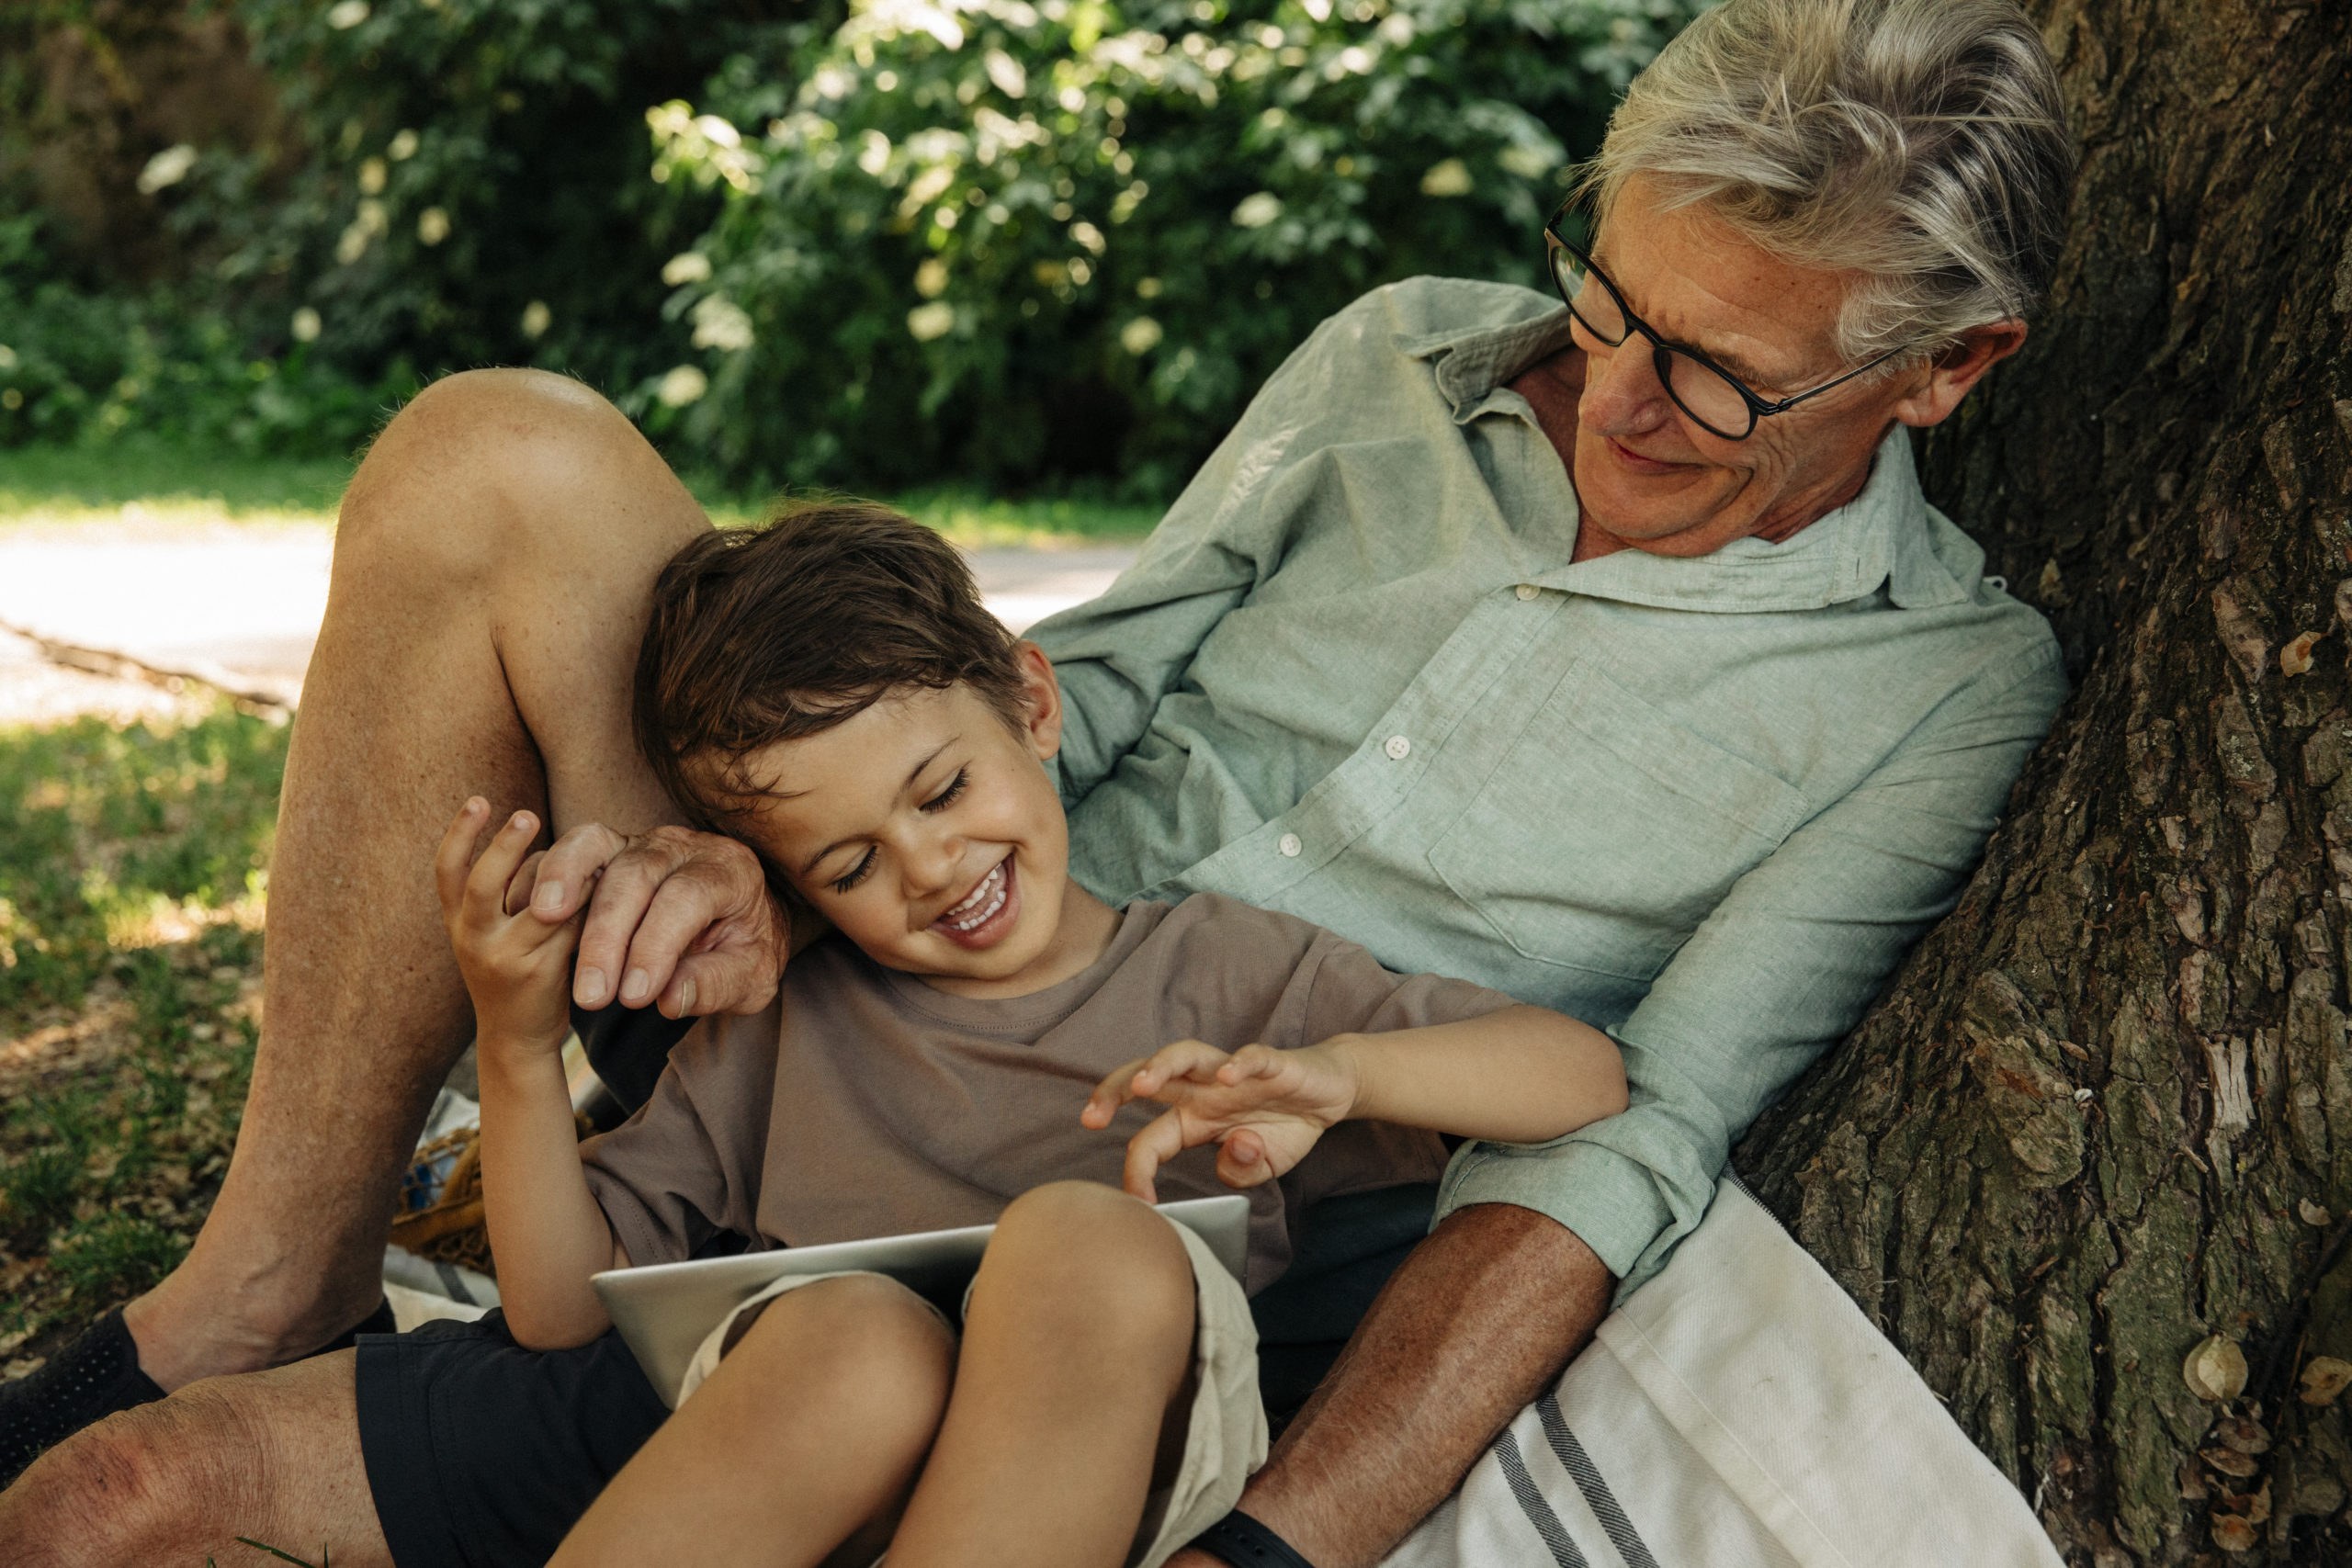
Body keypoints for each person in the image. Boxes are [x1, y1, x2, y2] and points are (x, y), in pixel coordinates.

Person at [0, 2, 2076, 1563]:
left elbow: (1633, 1131)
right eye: (1604, 294)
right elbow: (1066, 682)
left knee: (1026, 1295)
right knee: (494, 451)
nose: (1605, 392)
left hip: (1188, 1204)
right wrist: (768, 867)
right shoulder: (1402, 355)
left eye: (1715, 374)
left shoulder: (1935, 680)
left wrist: (1282, 1542)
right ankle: (274, 1273)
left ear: (1945, 368)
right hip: (867, 986)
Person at [392, 503, 1625, 1568]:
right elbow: (557, 1314)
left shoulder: (1231, 971)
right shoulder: (784, 1031)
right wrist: (513, 1043)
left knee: (1083, 1235)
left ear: (1032, 704)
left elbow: (1583, 1075)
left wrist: (1339, 1076)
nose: (932, 867)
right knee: (848, 1331)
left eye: (942, 791)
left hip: (1102, 1471)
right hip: (831, 1471)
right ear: (789, 887)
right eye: (852, 860)